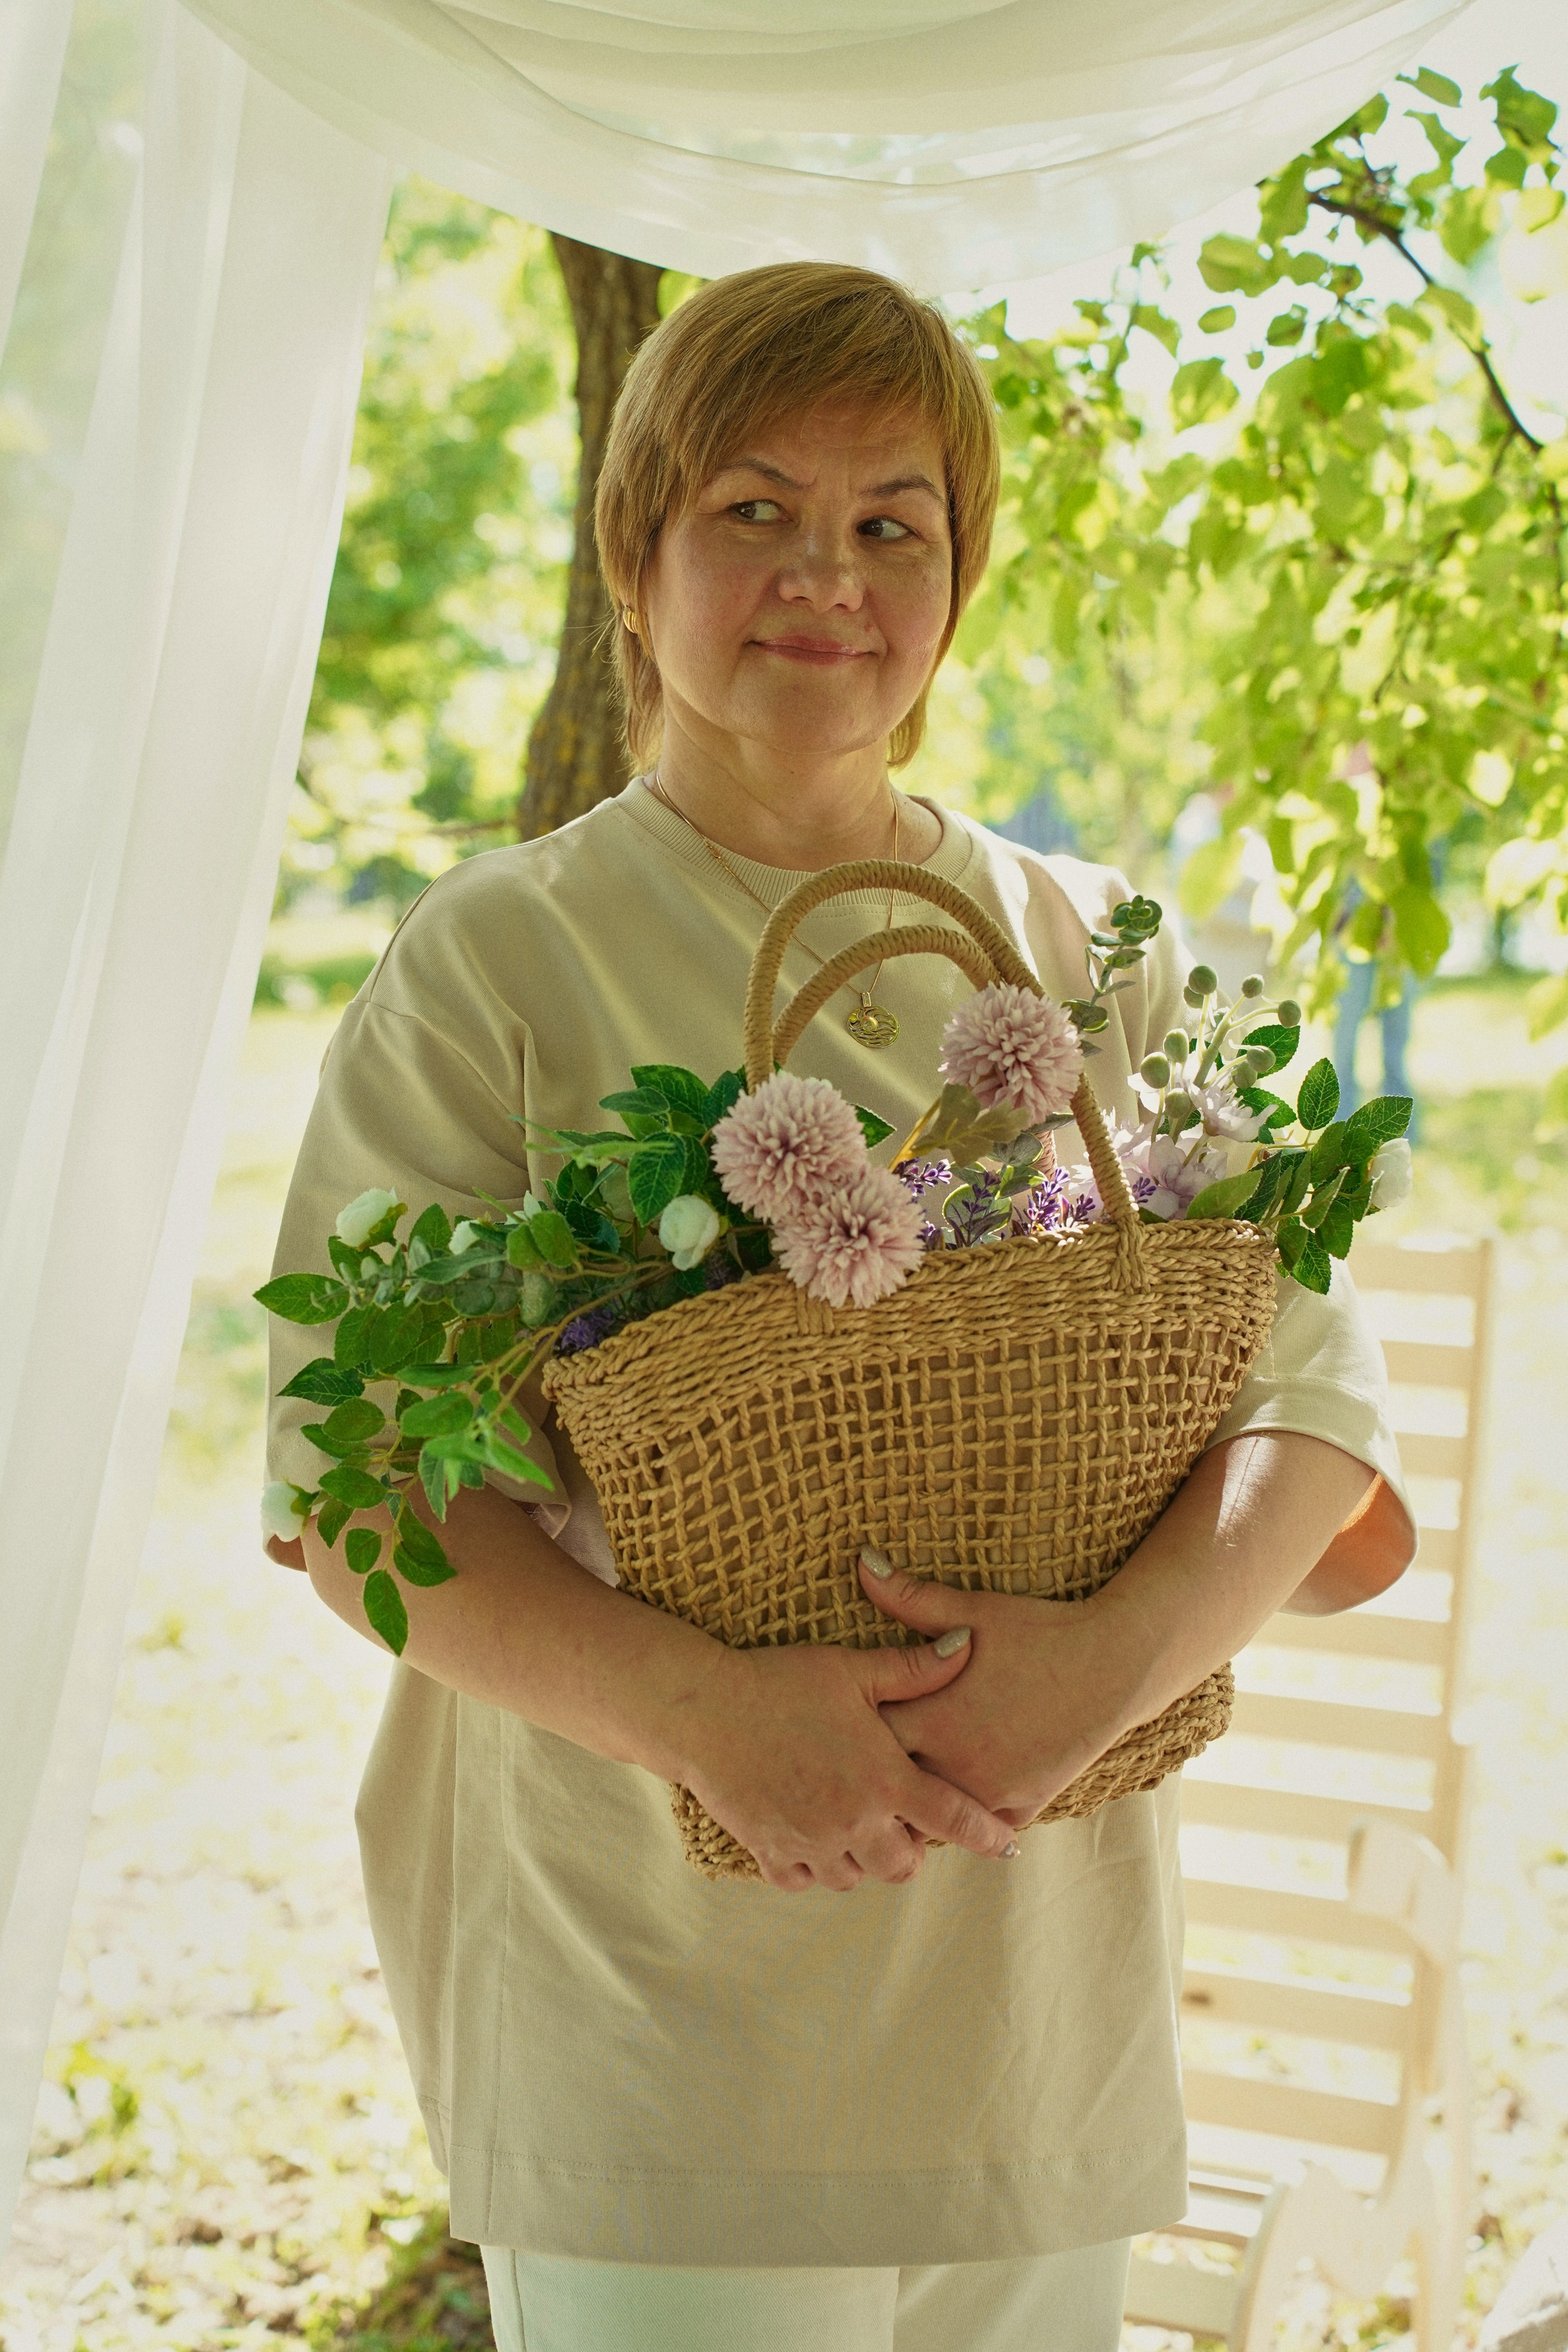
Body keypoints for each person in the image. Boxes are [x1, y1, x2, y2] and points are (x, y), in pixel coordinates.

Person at [263, 263, 1416, 2352]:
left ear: (960, 577)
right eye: (754, 510)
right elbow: (350, 1496)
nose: (830, 577)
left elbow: (1312, 1387)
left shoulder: (1086, 950)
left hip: (1034, 1995)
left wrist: (1113, 1663)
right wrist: (709, 1722)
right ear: (638, 553)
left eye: (896, 521)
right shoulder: (498, 963)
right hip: (654, 1992)